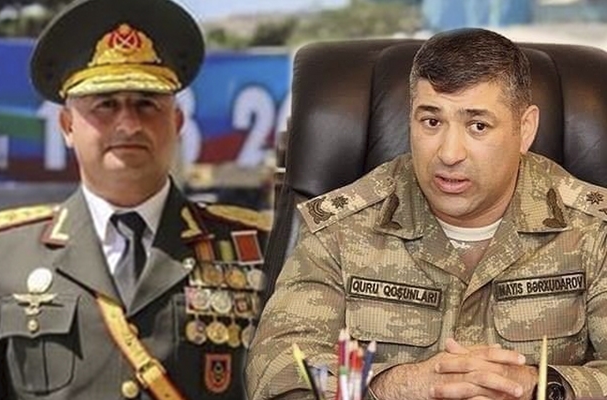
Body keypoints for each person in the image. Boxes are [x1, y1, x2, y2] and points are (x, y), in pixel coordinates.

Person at [245, 27, 607, 400]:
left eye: (478, 126)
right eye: (432, 122)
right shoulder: (342, 227)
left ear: (525, 128)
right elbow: (274, 370)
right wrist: (393, 386)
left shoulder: (593, 229)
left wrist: (539, 387)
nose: (449, 154)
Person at [0, 0, 270, 398]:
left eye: (147, 103)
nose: (128, 124)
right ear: (66, 126)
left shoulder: (258, 248)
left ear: (177, 122)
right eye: (106, 105)